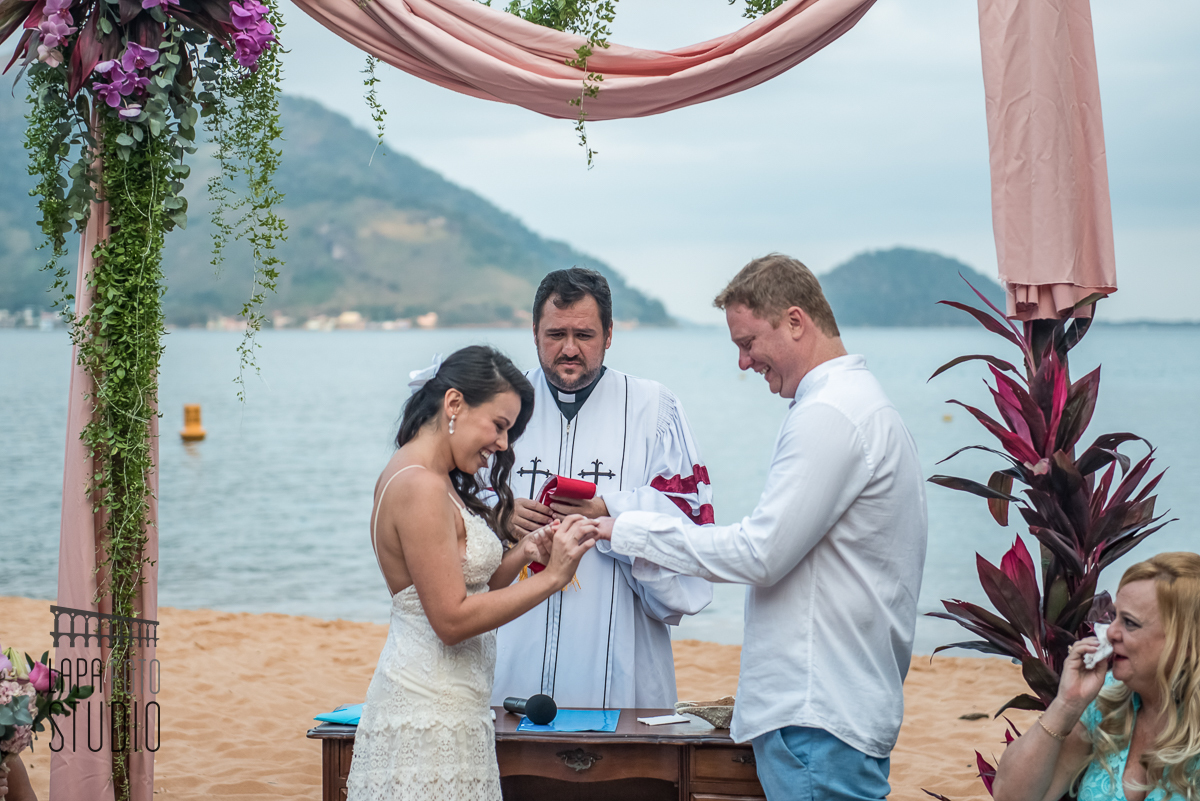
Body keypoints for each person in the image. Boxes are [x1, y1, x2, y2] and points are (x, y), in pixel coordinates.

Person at [593, 254, 928, 801]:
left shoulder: (831, 414)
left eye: (748, 343)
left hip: (817, 716)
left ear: (796, 321)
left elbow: (761, 552)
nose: (744, 363)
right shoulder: (862, 405)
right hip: (840, 702)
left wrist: (624, 529)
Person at [345, 346, 597, 801]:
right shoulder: (420, 485)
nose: (502, 444)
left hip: (453, 707)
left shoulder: (429, 475)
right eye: (499, 426)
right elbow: (451, 621)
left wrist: (524, 553)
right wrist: (551, 578)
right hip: (427, 714)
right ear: (455, 404)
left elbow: (466, 587)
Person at [490, 267, 713, 710]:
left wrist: (609, 512)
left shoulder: (655, 409)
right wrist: (500, 514)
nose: (569, 349)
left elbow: (692, 525)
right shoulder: (498, 405)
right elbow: (449, 502)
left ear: (609, 334)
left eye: (584, 334)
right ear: (533, 331)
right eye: (555, 334)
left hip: (622, 658)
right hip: (512, 648)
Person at [992, 552, 1200, 801]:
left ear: (1187, 642)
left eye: (1130, 623)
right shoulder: (1107, 702)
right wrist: (1066, 704)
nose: (1110, 632)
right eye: (1115, 616)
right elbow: (1011, 797)